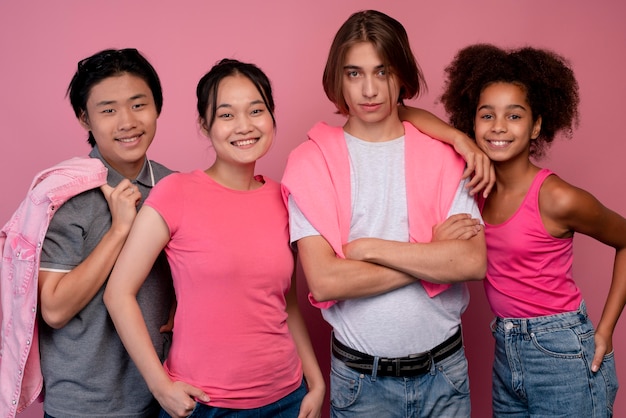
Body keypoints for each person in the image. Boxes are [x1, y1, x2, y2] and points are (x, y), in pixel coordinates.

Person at [281, 10, 487, 417]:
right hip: (361, 384)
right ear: (337, 79)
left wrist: (367, 248)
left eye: (383, 71)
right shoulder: (310, 162)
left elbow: (471, 261)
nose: (370, 89)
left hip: (444, 375)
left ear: (401, 77)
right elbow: (324, 282)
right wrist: (431, 256)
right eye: (354, 73)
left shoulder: (446, 155)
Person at [104, 58, 325, 418]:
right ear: (204, 124)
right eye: (226, 115)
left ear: (271, 118)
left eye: (256, 110)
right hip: (205, 405)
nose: (244, 126)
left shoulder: (285, 198)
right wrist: (160, 387)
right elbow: (118, 293)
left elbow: (288, 302)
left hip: (288, 399)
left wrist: (315, 384)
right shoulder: (175, 192)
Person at [438, 43, 624, 417]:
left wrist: (605, 331)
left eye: (515, 116)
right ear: (471, 122)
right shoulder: (475, 189)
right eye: (486, 115)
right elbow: (404, 114)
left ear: (536, 124)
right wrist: (458, 140)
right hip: (506, 351)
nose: (499, 127)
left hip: (563, 353)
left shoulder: (557, 198)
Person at [35, 48, 175, 417]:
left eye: (138, 104)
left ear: (157, 107)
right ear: (85, 118)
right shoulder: (66, 194)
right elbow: (54, 308)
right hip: (85, 405)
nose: (127, 121)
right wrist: (119, 231)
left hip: (162, 393)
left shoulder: (175, 187)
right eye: (108, 110)